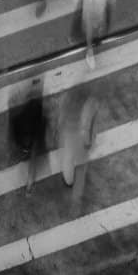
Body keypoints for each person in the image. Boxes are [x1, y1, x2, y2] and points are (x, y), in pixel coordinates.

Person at [56, 90, 98, 218]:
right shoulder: (91, 102)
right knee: (81, 168)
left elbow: (61, 117)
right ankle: (76, 201)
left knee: (68, 158)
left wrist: (58, 131)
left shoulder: (66, 98)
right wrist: (90, 140)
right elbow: (91, 123)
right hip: (82, 139)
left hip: (69, 134)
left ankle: (68, 180)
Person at [11, 79, 48, 193]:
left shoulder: (24, 135)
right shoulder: (32, 138)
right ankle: (35, 87)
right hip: (33, 126)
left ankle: (35, 87)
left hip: (29, 123)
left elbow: (15, 122)